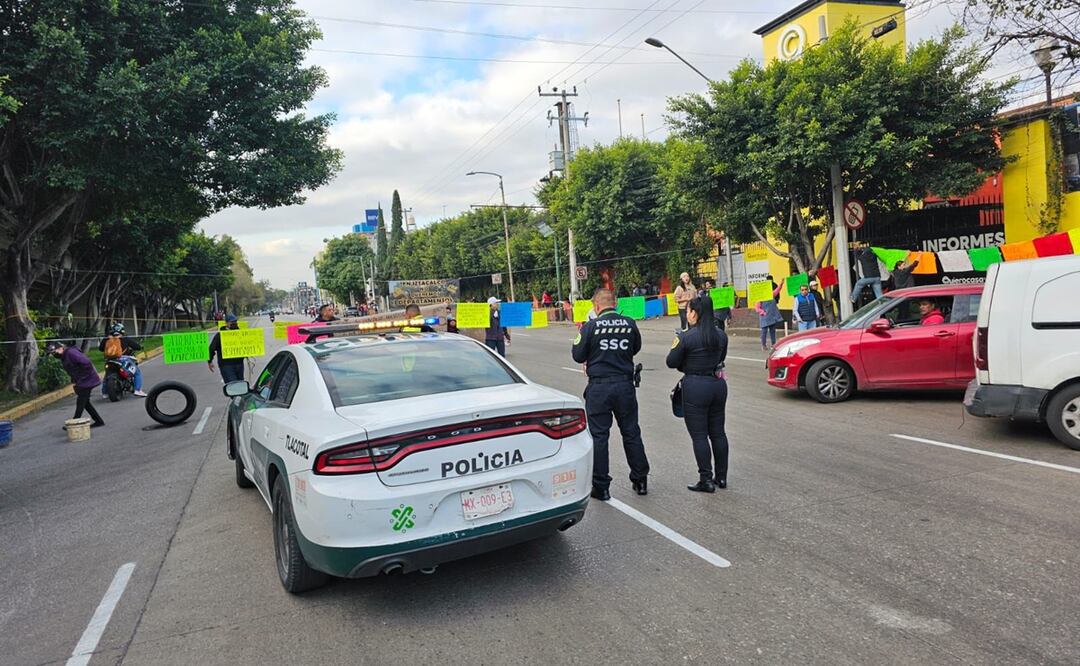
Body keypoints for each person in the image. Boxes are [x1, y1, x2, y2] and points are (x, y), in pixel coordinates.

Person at [571, 288, 649, 500]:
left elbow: (578, 355)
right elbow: (635, 348)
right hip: (625, 386)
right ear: (615, 303)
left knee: (599, 436)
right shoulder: (629, 324)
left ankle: (601, 487)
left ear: (596, 306)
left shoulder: (590, 327)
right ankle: (641, 480)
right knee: (631, 432)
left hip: (600, 388)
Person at [667, 295, 729, 492]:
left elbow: (671, 362)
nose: (687, 315)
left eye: (688, 311)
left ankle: (706, 479)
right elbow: (721, 358)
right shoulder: (721, 335)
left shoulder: (685, 337)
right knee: (718, 432)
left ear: (694, 313)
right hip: (717, 385)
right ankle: (721, 477)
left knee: (700, 435)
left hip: (695, 386)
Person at [46, 341, 105, 429]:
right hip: (83, 381)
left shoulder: (71, 353)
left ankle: (74, 423)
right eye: (52, 353)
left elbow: (86, 363)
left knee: (81, 402)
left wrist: (82, 377)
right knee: (85, 402)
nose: (54, 355)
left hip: (87, 380)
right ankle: (99, 421)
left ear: (61, 348)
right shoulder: (65, 355)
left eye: (55, 352)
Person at [99, 323, 146, 397]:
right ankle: (138, 390)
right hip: (123, 359)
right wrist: (140, 347)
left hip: (109, 360)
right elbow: (136, 346)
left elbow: (101, 349)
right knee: (137, 372)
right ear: (122, 331)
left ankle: (105, 393)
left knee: (107, 375)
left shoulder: (107, 339)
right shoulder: (125, 338)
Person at [208, 314, 247, 384]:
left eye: (235, 322)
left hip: (239, 364)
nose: (234, 323)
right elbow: (211, 348)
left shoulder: (240, 334)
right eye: (232, 322)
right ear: (226, 323)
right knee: (232, 385)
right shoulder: (220, 335)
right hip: (226, 365)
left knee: (240, 384)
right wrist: (209, 361)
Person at [756, 279, 784, 350]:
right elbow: (757, 308)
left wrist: (781, 284)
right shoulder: (759, 298)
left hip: (772, 316)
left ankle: (773, 344)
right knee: (764, 332)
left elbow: (777, 290)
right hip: (764, 317)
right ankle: (763, 345)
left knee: (773, 331)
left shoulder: (771, 294)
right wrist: (763, 312)